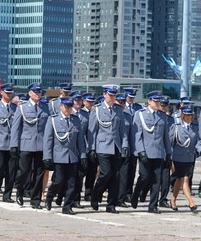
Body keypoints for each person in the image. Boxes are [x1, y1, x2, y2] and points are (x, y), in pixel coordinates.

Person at [43, 97, 86, 214]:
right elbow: (48, 140)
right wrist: (47, 157)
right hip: (59, 156)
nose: (68, 109)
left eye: (70, 107)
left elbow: (80, 140)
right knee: (59, 181)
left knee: (71, 183)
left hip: (72, 156)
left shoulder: (75, 120)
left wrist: (82, 155)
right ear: (61, 106)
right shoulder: (53, 120)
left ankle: (67, 206)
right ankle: (50, 196)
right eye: (66, 107)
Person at [131, 91, 171, 213]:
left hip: (158, 152)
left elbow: (165, 136)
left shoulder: (162, 116)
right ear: (149, 101)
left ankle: (153, 206)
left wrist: (168, 153)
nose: (157, 103)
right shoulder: (140, 114)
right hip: (146, 151)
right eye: (155, 101)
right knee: (144, 177)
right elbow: (137, 135)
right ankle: (136, 194)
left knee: (156, 180)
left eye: (158, 101)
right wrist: (140, 151)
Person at [88, 86, 126, 214]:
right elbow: (92, 130)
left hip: (116, 146)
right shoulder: (97, 109)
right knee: (105, 173)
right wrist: (92, 148)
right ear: (104, 94)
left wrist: (125, 146)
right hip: (102, 146)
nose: (112, 97)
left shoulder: (118, 109)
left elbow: (122, 130)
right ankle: (95, 194)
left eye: (114, 95)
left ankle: (111, 204)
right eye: (110, 95)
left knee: (115, 176)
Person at [11, 83, 48, 208]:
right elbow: (16, 128)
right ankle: (20, 191)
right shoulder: (22, 107)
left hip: (41, 145)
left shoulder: (45, 107)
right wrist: (14, 145)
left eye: (39, 92)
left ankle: (35, 199)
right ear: (30, 93)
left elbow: (48, 128)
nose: (38, 94)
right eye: (35, 92)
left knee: (39, 173)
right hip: (26, 144)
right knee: (24, 171)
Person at [168, 105, 199, 212]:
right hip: (178, 157)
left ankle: (173, 200)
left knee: (179, 179)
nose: (189, 117)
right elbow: (170, 142)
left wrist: (200, 149)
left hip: (189, 158)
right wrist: (168, 156)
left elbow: (198, 141)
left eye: (191, 115)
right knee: (185, 179)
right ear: (182, 116)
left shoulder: (194, 127)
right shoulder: (176, 127)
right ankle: (191, 202)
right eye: (187, 115)